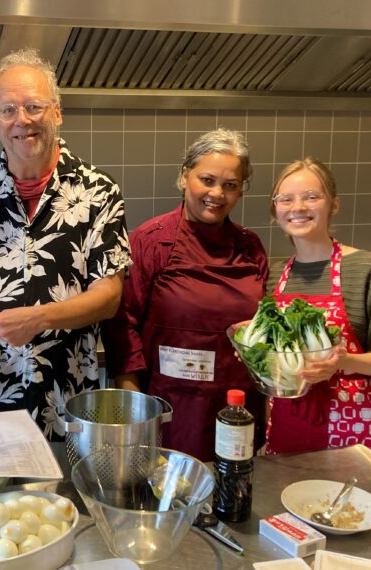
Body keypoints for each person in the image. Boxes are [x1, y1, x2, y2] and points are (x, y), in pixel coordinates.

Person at [0, 48, 131, 440]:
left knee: (63, 484)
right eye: (8, 110)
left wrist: (38, 318)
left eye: (34, 106)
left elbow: (108, 298)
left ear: (57, 113)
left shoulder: (98, 191)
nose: (22, 120)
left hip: (65, 398)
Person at [103, 128, 268, 462]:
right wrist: (135, 411)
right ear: (184, 176)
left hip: (238, 409)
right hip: (172, 411)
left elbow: (262, 332)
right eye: (207, 180)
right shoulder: (150, 242)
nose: (217, 194)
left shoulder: (251, 248)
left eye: (230, 185)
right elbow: (122, 328)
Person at [264, 157, 371, 468]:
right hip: (290, 427)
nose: (298, 207)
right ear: (275, 210)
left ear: (333, 204)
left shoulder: (369, 267)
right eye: (286, 199)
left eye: (311, 196)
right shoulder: (275, 275)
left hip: (357, 432)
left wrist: (343, 362)